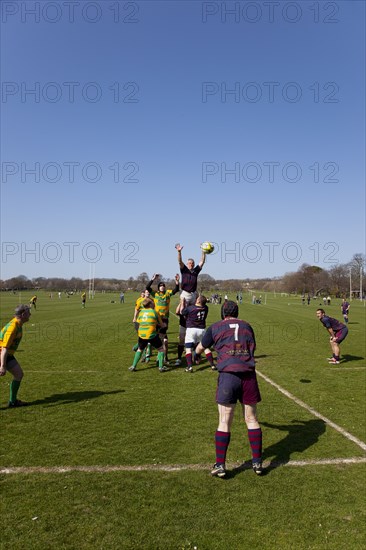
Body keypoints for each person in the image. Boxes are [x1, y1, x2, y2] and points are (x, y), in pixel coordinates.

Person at [196, 300, 263, 478]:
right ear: (237, 311)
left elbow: (201, 347)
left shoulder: (215, 327)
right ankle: (257, 462)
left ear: (222, 312)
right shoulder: (247, 326)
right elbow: (252, 347)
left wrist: (195, 356)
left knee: (224, 420)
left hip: (228, 375)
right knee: (251, 418)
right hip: (248, 375)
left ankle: (220, 465)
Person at [0, 304, 31, 407]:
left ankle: (12, 402)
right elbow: (4, 348)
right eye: (28, 313)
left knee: (18, 374)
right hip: (2, 354)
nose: (30, 314)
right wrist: (3, 366)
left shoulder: (18, 324)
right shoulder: (13, 327)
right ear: (23, 314)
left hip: (7, 355)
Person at [146, 273, 180, 364]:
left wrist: (177, 282)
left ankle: (162, 356)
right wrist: (152, 279)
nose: (162, 287)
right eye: (160, 286)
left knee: (162, 337)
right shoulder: (155, 294)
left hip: (164, 319)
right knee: (155, 336)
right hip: (156, 319)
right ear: (158, 287)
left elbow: (176, 290)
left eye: (163, 286)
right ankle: (150, 354)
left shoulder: (168, 293)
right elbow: (147, 287)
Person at [129, 299, 168, 372]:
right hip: (151, 334)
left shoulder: (141, 312)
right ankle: (161, 367)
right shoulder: (154, 312)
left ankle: (133, 366)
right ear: (150, 304)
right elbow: (162, 324)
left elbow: (139, 323)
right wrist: (163, 325)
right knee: (161, 349)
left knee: (140, 349)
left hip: (142, 334)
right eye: (152, 302)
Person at [181, 295, 215, 372]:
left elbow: (182, 312)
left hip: (191, 330)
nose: (196, 299)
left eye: (197, 298)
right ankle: (212, 365)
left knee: (188, 349)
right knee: (205, 348)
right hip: (202, 329)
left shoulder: (190, 308)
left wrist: (183, 303)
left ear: (198, 301)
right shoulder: (206, 308)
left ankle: (189, 366)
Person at [132, 290, 152, 362]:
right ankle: (141, 351)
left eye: (148, 293)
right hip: (140, 321)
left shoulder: (152, 301)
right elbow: (136, 309)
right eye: (146, 292)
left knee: (147, 339)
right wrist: (134, 317)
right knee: (143, 338)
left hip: (149, 322)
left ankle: (145, 355)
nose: (148, 294)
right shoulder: (140, 300)